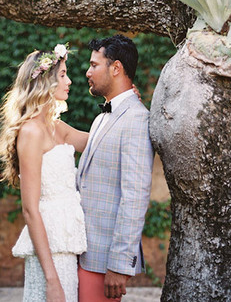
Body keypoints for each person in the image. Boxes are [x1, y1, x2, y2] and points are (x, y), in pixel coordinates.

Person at [0, 44, 89, 302]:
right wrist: (52, 280)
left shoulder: (56, 126)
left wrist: (117, 108)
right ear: (45, 82)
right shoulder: (30, 132)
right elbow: (30, 210)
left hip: (67, 246)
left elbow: (96, 142)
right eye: (63, 75)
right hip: (48, 251)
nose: (69, 81)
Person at [77, 34, 154, 302]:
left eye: (94, 65)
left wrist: (119, 265)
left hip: (104, 261)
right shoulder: (101, 118)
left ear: (116, 68)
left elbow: (135, 196)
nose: (88, 72)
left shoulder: (137, 119)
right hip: (82, 252)